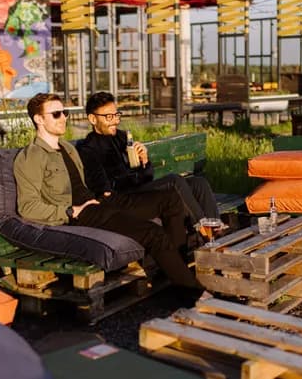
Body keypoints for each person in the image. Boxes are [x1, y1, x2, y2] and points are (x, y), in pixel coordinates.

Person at [13, 93, 202, 292]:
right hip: (82, 214)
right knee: (151, 232)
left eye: (65, 112)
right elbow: (27, 207)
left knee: (169, 198)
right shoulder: (31, 157)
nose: (64, 118)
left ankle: (178, 273)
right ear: (38, 119)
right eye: (57, 114)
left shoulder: (68, 148)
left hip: (98, 201)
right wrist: (71, 211)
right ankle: (191, 293)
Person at [77, 92, 219, 225]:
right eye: (109, 117)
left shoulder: (122, 137)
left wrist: (144, 161)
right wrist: (133, 177)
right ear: (92, 119)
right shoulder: (88, 149)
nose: (115, 121)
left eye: (117, 115)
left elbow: (148, 176)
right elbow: (105, 189)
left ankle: (216, 228)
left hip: (138, 188)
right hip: (124, 197)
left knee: (198, 183)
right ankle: (204, 230)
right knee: (174, 181)